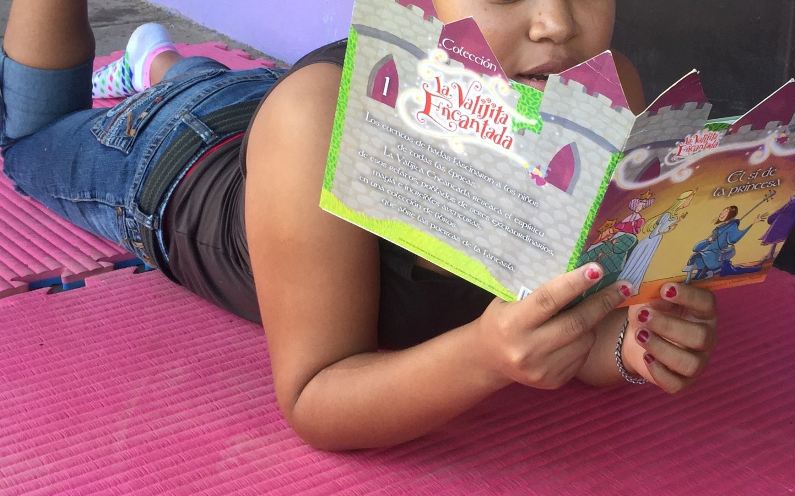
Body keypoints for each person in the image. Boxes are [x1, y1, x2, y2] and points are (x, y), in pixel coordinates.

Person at [0, 0, 718, 450]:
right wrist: (482, 357)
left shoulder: (595, 92)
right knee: (28, 146)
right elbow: (316, 398)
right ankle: (145, 67)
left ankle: (164, 63)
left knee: (238, 89)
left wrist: (625, 344)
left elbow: (562, 307)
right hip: (169, 163)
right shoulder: (315, 127)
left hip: (261, 99)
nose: (557, 23)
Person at [618, 190, 696, 295]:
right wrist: (672, 224)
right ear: (683, 201)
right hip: (649, 243)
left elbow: (662, 229)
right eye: (688, 200)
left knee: (642, 264)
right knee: (639, 263)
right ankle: (624, 286)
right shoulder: (668, 215)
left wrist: (676, 222)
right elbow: (657, 232)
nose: (688, 203)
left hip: (653, 242)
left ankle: (631, 287)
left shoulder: (672, 215)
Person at [684, 206, 767, 282]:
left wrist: (753, 223)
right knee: (696, 256)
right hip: (708, 252)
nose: (722, 213)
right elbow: (697, 247)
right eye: (723, 211)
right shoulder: (720, 227)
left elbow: (734, 238)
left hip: (716, 254)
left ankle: (720, 269)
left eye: (726, 212)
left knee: (737, 269)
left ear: (731, 215)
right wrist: (708, 240)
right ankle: (706, 272)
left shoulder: (732, 226)